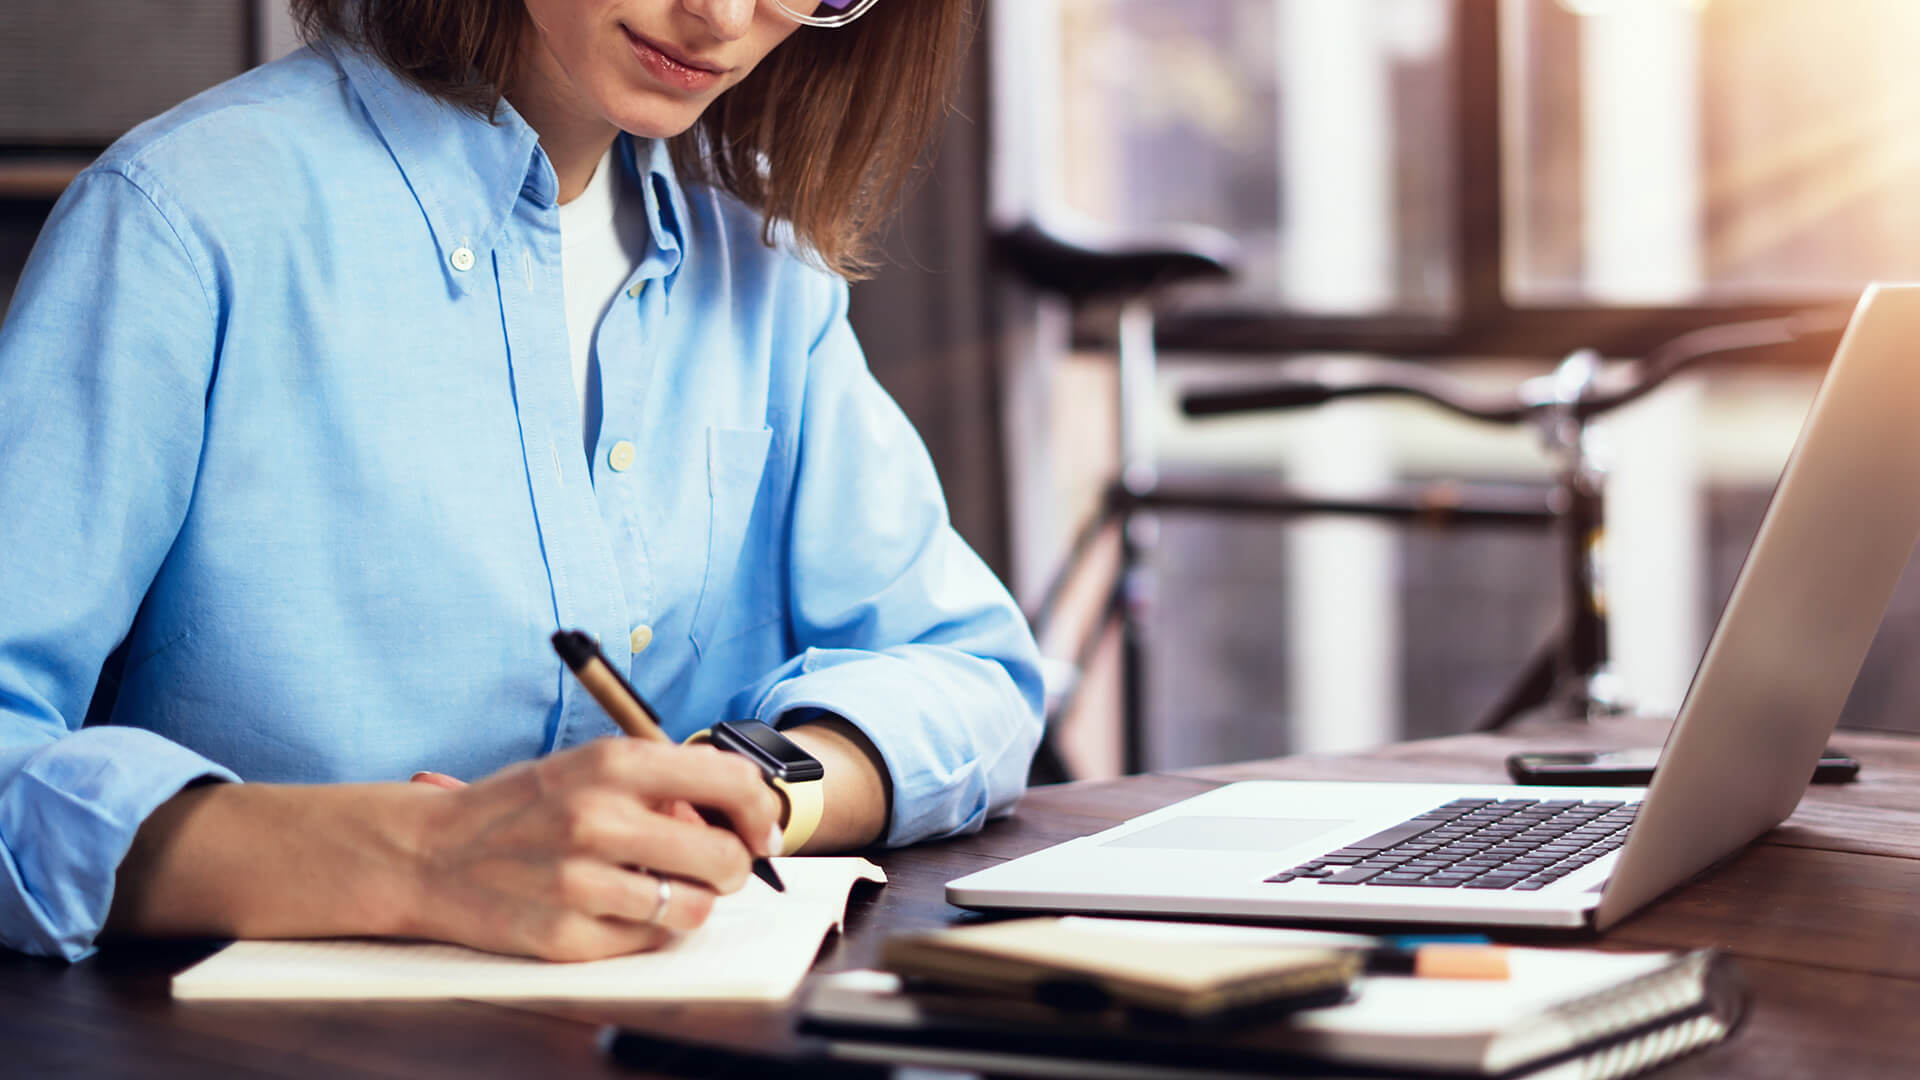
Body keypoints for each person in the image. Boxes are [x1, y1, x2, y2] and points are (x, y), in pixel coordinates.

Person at [0, 0, 1043, 962]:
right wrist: (421, 855)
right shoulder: (185, 221)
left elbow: (969, 670)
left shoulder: (763, 267)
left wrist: (751, 789)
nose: (722, 16)